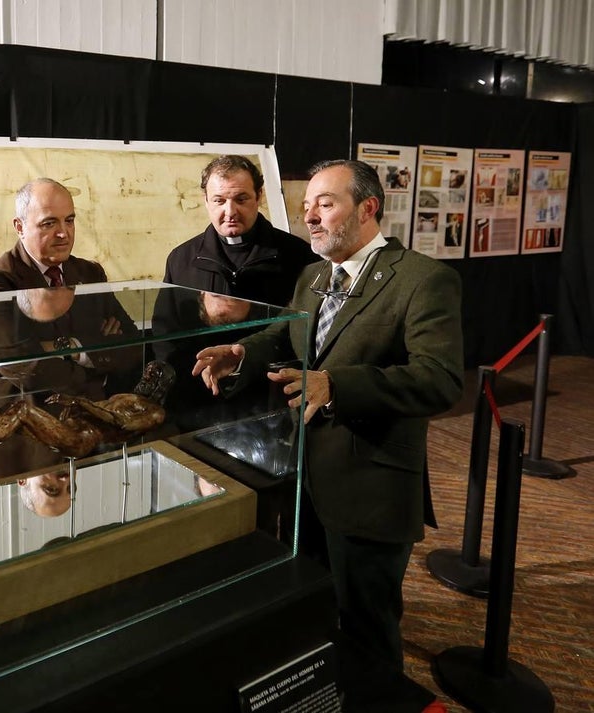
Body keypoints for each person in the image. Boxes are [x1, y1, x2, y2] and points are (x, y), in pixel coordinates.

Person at [190, 159, 464, 672]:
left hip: (370, 488)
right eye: (307, 205)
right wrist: (243, 353)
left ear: (367, 208)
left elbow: (440, 379)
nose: (310, 216)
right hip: (306, 483)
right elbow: (288, 335)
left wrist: (337, 386)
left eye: (325, 203)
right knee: (313, 609)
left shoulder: (423, 280)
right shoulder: (315, 275)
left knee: (367, 626)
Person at [0, 178, 142, 485]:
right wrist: (93, 356)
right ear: (19, 226)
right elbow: (24, 367)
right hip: (18, 446)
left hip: (85, 438)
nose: (63, 233)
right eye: (48, 223)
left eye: (69, 220)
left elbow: (132, 345)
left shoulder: (89, 273)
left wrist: (66, 347)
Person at [151, 155, 318, 426]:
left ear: (259, 196)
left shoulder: (299, 257)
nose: (230, 211)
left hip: (269, 407)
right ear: (205, 200)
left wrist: (247, 316)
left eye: (241, 199)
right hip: (198, 406)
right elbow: (165, 336)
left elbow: (302, 335)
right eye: (219, 200)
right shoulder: (181, 258)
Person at [0, 360, 175, 478]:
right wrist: (78, 407)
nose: (146, 376)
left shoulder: (153, 411)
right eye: (148, 371)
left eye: (153, 375)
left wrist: (80, 402)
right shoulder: (128, 395)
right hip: (72, 424)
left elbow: (120, 423)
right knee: (5, 418)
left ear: (161, 384)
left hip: (79, 440)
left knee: (21, 412)